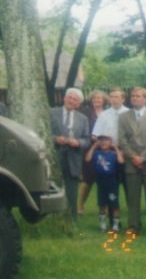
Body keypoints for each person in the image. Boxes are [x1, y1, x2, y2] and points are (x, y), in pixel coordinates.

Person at [116, 87, 146, 237]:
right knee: (132, 197)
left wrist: (143, 157)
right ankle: (133, 226)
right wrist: (134, 157)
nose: (135, 98)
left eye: (138, 96)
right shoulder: (123, 117)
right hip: (131, 162)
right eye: (133, 96)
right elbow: (122, 141)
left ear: (145, 99)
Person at [50, 87, 91, 220]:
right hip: (55, 155)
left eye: (75, 99)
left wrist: (78, 143)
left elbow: (87, 139)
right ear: (64, 98)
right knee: (54, 186)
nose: (71, 101)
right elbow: (42, 133)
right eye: (70, 97)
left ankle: (72, 219)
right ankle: (54, 217)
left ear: (78, 104)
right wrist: (55, 139)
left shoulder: (83, 119)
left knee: (72, 189)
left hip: (73, 157)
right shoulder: (51, 113)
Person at [86, 135, 124, 232]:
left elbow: (121, 161)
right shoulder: (96, 153)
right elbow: (87, 159)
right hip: (101, 181)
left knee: (114, 204)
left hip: (112, 182)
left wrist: (115, 148)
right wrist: (94, 146)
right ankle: (102, 223)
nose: (103, 143)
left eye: (106, 141)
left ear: (111, 142)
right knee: (102, 203)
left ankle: (115, 224)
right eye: (101, 141)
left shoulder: (113, 154)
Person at [79, 89, 107, 214]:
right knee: (87, 179)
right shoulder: (85, 112)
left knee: (104, 178)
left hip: (105, 149)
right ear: (91, 100)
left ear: (104, 100)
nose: (97, 100)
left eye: (99, 98)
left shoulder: (108, 113)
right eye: (95, 98)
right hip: (89, 148)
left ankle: (105, 207)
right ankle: (80, 205)